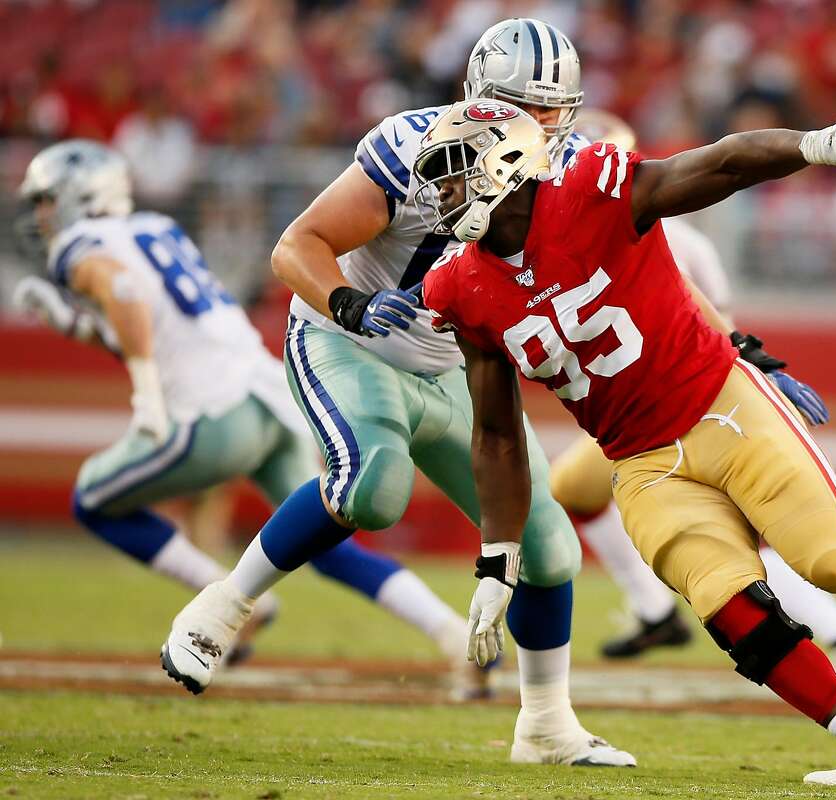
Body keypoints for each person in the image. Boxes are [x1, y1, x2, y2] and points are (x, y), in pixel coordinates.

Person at [419, 98, 836, 786]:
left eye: (454, 173)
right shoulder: (459, 284)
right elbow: (495, 432)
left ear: (504, 164)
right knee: (730, 606)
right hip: (640, 462)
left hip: (719, 404)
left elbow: (722, 162)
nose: (442, 193)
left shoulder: (590, 189)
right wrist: (498, 557)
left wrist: (816, 145)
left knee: (829, 563)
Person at [159, 19, 635, 768]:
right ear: (483, 98)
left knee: (548, 548)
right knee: (373, 489)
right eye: (527, 106)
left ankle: (546, 725)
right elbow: (297, 247)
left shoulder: (566, 169)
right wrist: (348, 302)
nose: (545, 125)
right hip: (350, 338)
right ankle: (224, 604)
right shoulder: (411, 149)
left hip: (453, 365)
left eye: (556, 108)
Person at [14, 140, 482, 693]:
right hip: (268, 398)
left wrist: (146, 400)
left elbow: (122, 292)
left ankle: (224, 596)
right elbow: (149, 324)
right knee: (324, 535)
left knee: (91, 501)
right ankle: (451, 632)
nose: (42, 213)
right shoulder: (155, 228)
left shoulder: (81, 243)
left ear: (79, 194)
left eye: (47, 199)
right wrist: (75, 327)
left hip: (212, 412)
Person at [553, 110, 836, 690]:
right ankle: (657, 612)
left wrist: (753, 372)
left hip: (687, 408)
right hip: (635, 414)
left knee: (745, 541)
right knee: (576, 491)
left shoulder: (663, 230)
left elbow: (716, 326)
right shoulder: (567, 237)